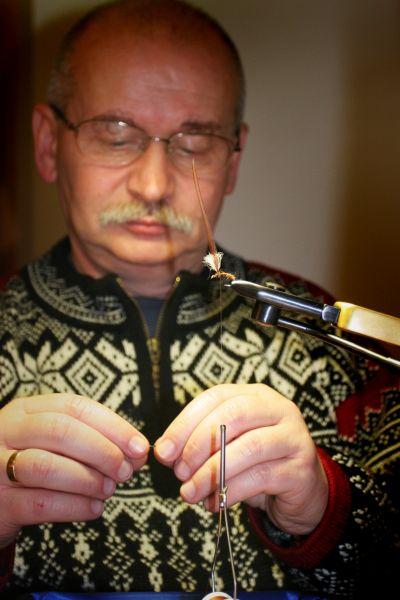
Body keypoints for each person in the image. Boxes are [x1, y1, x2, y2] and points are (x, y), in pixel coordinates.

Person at [0, 0, 398, 596]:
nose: (153, 185)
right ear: (48, 144)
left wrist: (324, 509)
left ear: (232, 161)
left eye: (194, 143)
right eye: (115, 134)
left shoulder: (338, 347)